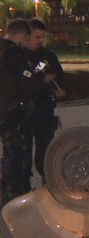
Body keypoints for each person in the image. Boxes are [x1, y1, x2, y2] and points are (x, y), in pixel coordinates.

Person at [0, 19, 40, 204]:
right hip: (14, 110)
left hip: (3, 109)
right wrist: (37, 80)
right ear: (21, 35)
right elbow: (26, 81)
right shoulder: (14, 54)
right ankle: (16, 193)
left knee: (9, 152)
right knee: (17, 153)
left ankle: (7, 191)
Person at [26, 19, 64, 183]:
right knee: (21, 154)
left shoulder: (48, 56)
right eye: (36, 37)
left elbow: (59, 77)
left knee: (46, 153)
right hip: (24, 111)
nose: (40, 41)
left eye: (42, 37)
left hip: (44, 109)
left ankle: (47, 185)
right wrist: (40, 80)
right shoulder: (17, 56)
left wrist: (58, 89)